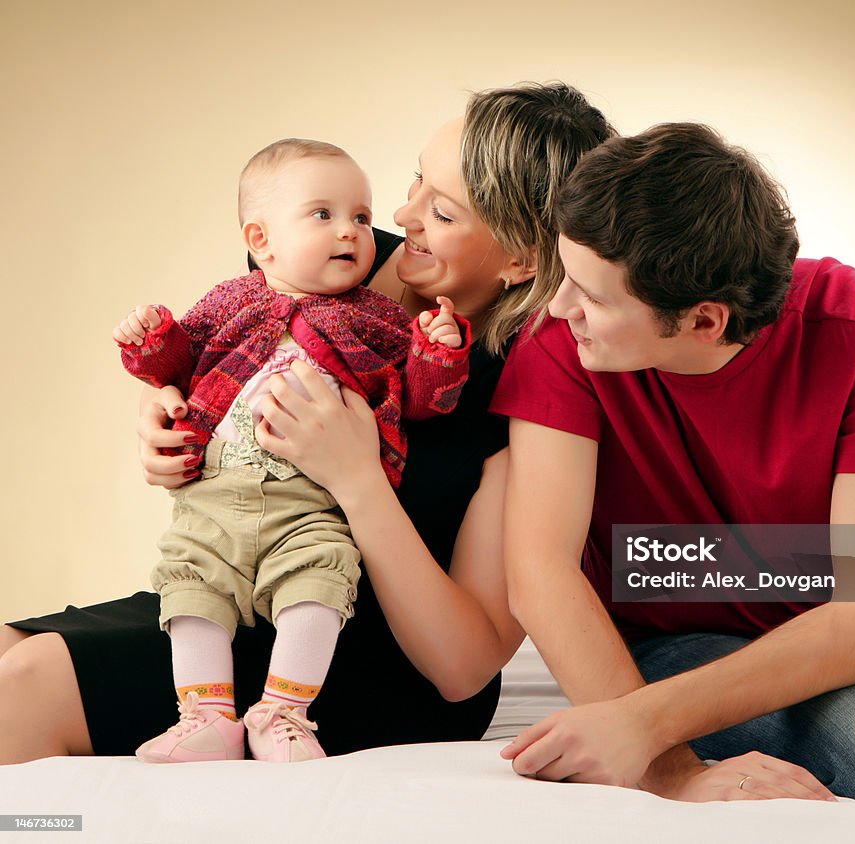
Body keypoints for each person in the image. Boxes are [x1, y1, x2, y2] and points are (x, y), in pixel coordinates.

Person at [0, 82, 612, 765]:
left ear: (522, 258)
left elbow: (464, 667)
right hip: (238, 585)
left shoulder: (530, 383)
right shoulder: (320, 256)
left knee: (25, 687)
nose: (402, 213)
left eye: (440, 211)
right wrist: (170, 418)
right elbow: (213, 372)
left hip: (362, 657)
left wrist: (357, 479)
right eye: (415, 180)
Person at [492, 123, 855, 842]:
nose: (558, 309)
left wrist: (637, 725)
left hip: (848, 608)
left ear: (705, 320)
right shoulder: (560, 347)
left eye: (591, 295)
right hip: (673, 625)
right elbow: (539, 571)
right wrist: (670, 768)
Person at [112, 138, 468, 763]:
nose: (353, 232)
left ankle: (283, 713)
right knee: (191, 589)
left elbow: (417, 397)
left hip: (310, 506)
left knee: (321, 583)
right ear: (261, 239)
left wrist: (437, 351)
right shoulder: (230, 300)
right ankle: (206, 716)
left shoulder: (379, 316)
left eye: (361, 217)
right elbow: (182, 362)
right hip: (212, 497)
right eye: (323, 215)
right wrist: (150, 343)